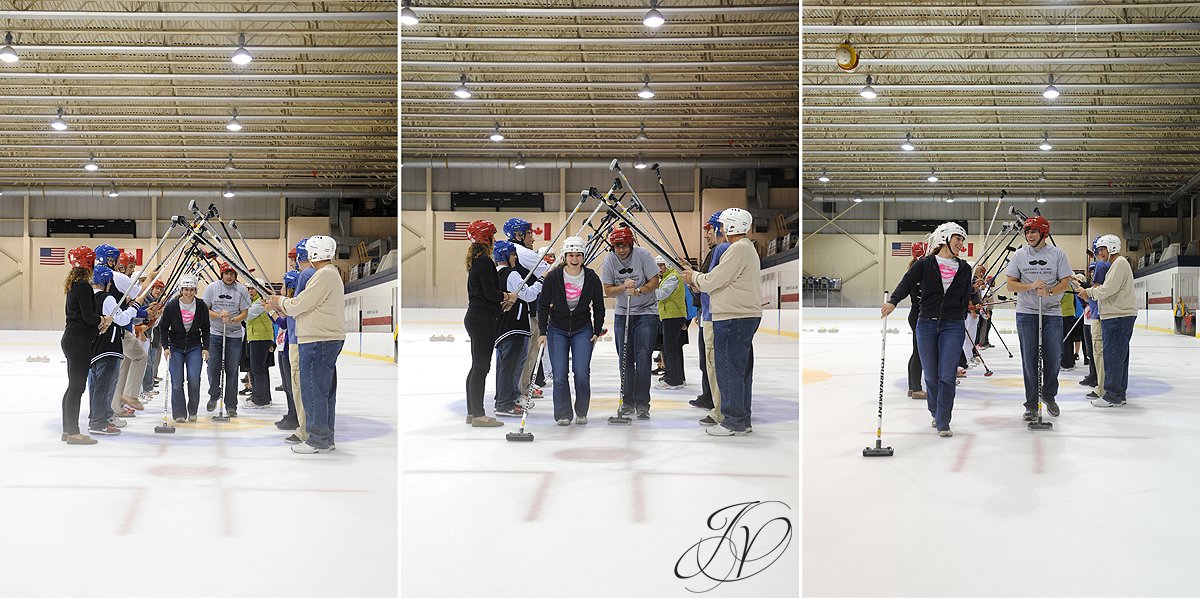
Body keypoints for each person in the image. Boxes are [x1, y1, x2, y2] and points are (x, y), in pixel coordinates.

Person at [882, 222, 973, 437]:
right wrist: (893, 301)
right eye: (957, 238)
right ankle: (935, 410)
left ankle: (943, 421)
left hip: (953, 325)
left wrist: (965, 311)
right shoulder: (924, 264)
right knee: (931, 375)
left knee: (947, 375)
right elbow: (906, 283)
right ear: (944, 239)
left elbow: (966, 294)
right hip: (926, 323)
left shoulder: (964, 268)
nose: (961, 243)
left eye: (962, 239)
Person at [683, 207, 762, 436]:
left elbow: (714, 280)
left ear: (729, 227)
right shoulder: (746, 249)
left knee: (728, 370)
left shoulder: (737, 249)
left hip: (732, 318)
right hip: (742, 316)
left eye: (721, 226)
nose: (719, 231)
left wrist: (694, 276)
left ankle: (732, 421)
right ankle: (742, 418)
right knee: (740, 370)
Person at [268, 236, 347, 454]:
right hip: (325, 339)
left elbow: (301, 305)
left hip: (317, 341)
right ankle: (325, 437)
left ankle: (317, 439)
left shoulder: (324, 275)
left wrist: (279, 302)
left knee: (313, 391)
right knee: (324, 391)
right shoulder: (331, 274)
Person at [1005, 215, 1074, 421]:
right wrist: (1030, 286)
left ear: (1044, 233)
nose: (1029, 235)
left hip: (1051, 312)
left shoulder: (1058, 254)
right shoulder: (1019, 255)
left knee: (1053, 358)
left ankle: (1048, 395)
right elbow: (1010, 284)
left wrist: (1050, 292)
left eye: (1033, 231)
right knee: (1030, 360)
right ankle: (1031, 404)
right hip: (1026, 313)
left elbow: (1065, 281)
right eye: (1027, 232)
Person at [538, 236, 606, 425]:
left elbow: (599, 306)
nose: (574, 259)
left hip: (582, 328)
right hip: (557, 329)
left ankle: (581, 411)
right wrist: (542, 331)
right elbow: (542, 305)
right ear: (565, 256)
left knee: (581, 372)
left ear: (583, 256)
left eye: (578, 255)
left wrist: (597, 329)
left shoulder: (591, 277)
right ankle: (563, 414)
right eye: (571, 255)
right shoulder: (553, 277)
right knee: (559, 374)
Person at [460, 221, 517, 427]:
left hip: (479, 317)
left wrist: (502, 302)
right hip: (481, 319)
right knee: (481, 366)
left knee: (477, 366)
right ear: (488, 238)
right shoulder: (484, 261)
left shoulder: (478, 260)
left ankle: (471, 413)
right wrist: (507, 295)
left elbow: (485, 295)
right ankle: (478, 415)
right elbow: (490, 293)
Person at [601, 226, 660, 419]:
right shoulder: (609, 260)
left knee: (643, 359)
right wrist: (622, 288)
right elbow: (608, 290)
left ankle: (642, 403)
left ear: (631, 244)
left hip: (646, 313)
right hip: (622, 314)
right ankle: (627, 402)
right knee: (625, 359)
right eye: (617, 246)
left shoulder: (643, 255)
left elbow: (655, 280)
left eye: (624, 246)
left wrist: (639, 291)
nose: (621, 250)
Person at [1077, 234, 1136, 407]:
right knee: (1119, 356)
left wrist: (1088, 293)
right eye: (1098, 250)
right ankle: (1119, 393)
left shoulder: (1119, 264)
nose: (1100, 254)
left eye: (1102, 249)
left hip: (1118, 316)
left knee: (1113, 356)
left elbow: (1107, 289)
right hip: (1119, 315)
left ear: (1112, 248)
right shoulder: (1117, 264)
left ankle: (1112, 395)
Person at [88, 265, 143, 436]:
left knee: (98, 386)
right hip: (108, 347)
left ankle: (101, 418)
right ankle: (98, 422)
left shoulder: (89, 296)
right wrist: (134, 307)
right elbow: (121, 319)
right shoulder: (107, 298)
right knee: (105, 386)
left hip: (94, 347)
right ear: (106, 281)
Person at [60, 246, 107, 445]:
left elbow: (81, 317)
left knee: (73, 386)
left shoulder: (74, 285)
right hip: (79, 341)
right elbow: (88, 317)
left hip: (73, 339)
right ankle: (73, 433)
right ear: (89, 263)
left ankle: (67, 431)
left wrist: (98, 325)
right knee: (77, 387)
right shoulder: (83, 285)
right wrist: (102, 319)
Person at [491, 240, 542, 417]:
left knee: (504, 366)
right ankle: (505, 404)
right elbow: (527, 295)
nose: (515, 258)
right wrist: (541, 281)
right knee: (510, 366)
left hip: (501, 327)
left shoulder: (493, 275)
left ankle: (504, 399)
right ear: (505, 255)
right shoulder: (511, 274)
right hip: (515, 326)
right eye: (513, 254)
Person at [503, 219, 552, 399]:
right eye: (530, 233)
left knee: (527, 353)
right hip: (528, 311)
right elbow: (550, 272)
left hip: (525, 310)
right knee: (528, 353)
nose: (533, 238)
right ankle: (520, 389)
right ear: (518, 235)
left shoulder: (516, 251)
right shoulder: (523, 252)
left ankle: (523, 387)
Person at [159, 275, 211, 421]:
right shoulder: (172, 305)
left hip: (194, 347)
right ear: (181, 290)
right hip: (176, 347)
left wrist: (206, 347)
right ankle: (180, 413)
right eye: (186, 289)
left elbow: (206, 328)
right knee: (177, 383)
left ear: (196, 290)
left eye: (192, 290)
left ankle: (192, 410)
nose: (189, 293)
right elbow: (163, 327)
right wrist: (165, 346)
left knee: (194, 381)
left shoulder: (201, 306)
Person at [202, 262, 251, 417]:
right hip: (215, 333)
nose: (229, 276)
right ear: (221, 274)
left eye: (231, 273)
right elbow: (205, 309)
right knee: (213, 366)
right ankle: (214, 394)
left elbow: (245, 312)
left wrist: (233, 319)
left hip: (234, 334)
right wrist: (219, 316)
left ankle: (231, 405)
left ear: (235, 275)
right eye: (226, 273)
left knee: (232, 370)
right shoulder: (212, 288)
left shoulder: (241, 290)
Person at [689, 212, 725, 411]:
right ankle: (708, 394)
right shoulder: (714, 252)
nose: (706, 235)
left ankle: (713, 398)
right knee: (706, 360)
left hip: (713, 315)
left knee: (710, 361)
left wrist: (696, 280)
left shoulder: (720, 251)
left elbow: (710, 281)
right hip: (706, 313)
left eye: (709, 230)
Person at [283, 239, 314, 443]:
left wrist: (280, 304)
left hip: (298, 339)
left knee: (299, 386)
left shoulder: (305, 275)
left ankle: (305, 430)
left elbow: (296, 307)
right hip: (303, 338)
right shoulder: (319, 275)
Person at [654, 254, 687, 390]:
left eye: (660, 266)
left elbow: (661, 295)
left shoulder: (672, 277)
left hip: (673, 316)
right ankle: (677, 377)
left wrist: (649, 288)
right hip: (670, 315)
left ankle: (673, 379)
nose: (659, 269)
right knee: (672, 348)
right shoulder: (669, 276)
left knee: (670, 349)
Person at [242, 279, 277, 408]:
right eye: (249, 289)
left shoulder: (261, 302)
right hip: (255, 337)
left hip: (261, 338)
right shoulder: (253, 302)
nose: (250, 291)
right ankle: (264, 396)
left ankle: (260, 399)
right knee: (259, 369)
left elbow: (248, 315)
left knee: (257, 369)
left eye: (253, 288)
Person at [275, 269, 301, 430]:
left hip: (289, 347)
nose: (281, 290)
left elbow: (284, 324)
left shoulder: (294, 304)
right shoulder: (290, 305)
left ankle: (295, 415)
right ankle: (291, 412)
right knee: (287, 384)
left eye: (284, 286)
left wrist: (271, 311)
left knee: (291, 386)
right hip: (283, 346)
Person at [905, 242, 928, 400]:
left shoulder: (916, 268)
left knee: (916, 351)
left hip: (916, 314)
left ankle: (912, 386)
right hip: (919, 315)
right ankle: (916, 389)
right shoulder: (919, 269)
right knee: (919, 352)